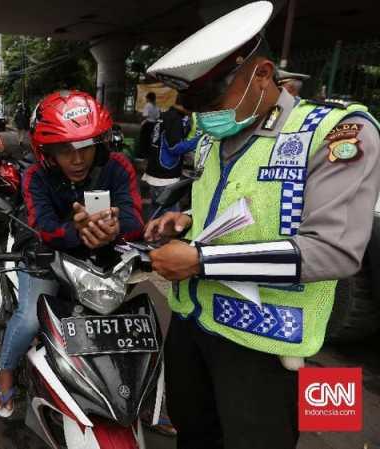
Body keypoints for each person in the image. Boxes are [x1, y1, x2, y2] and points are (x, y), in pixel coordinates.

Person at [144, 2, 380, 448]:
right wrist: (187, 221)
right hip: (193, 324)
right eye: (193, 103)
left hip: (265, 344)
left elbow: (334, 250)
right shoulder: (219, 135)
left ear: (262, 73)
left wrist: (200, 260)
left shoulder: (334, 132)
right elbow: (240, 206)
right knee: (194, 436)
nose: (202, 114)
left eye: (211, 98)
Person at [0, 90, 144, 417]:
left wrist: (115, 229)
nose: (77, 160)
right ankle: (5, 370)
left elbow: (134, 218)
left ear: (99, 144)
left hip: (101, 261)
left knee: (132, 323)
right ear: (46, 152)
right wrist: (78, 231)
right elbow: (44, 227)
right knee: (30, 318)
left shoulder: (118, 167)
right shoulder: (35, 176)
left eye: (85, 147)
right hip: (43, 255)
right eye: (64, 150)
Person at [143, 95, 191, 215]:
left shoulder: (165, 115)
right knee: (169, 216)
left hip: (154, 171)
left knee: (155, 211)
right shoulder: (175, 119)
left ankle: (149, 233)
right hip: (165, 176)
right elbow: (175, 147)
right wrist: (198, 141)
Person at [139, 91, 160, 158]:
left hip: (147, 124)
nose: (146, 99)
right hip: (153, 125)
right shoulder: (156, 106)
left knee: (143, 140)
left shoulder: (148, 105)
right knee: (149, 140)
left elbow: (145, 115)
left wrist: (140, 117)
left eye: (146, 98)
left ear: (148, 98)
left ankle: (142, 155)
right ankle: (148, 155)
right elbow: (157, 117)